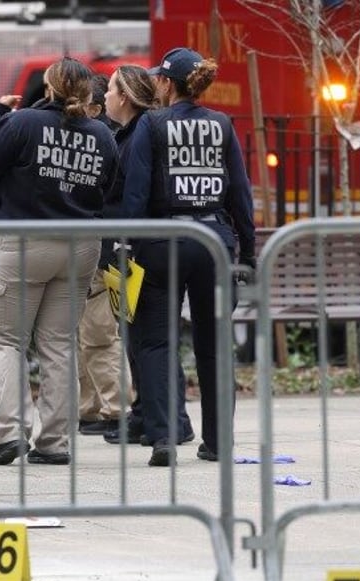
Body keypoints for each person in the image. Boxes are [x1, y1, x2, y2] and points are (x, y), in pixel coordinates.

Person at [0, 57, 119, 466]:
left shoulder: (23, 124)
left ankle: (8, 434)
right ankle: (54, 442)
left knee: (6, 339)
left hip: (25, 242)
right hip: (81, 247)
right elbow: (108, 186)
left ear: (49, 88)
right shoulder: (102, 135)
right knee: (58, 345)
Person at [121, 47, 256, 467]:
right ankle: (218, 442)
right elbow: (240, 193)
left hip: (164, 241)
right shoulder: (222, 125)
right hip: (214, 242)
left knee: (157, 342)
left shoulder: (151, 122)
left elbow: (137, 191)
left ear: (165, 83)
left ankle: (163, 438)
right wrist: (247, 251)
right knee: (214, 347)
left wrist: (128, 245)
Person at [96, 64, 195, 448]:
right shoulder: (128, 132)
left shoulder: (142, 132)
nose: (103, 96)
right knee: (138, 336)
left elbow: (132, 193)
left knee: (148, 337)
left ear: (124, 97)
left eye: (109, 89)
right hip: (130, 244)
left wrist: (125, 244)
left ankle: (169, 419)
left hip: (135, 247)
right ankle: (147, 413)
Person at [77, 73, 133, 437]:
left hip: (105, 252)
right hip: (101, 250)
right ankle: (93, 408)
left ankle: (116, 409)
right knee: (88, 332)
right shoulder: (107, 139)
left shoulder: (103, 142)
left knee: (100, 332)